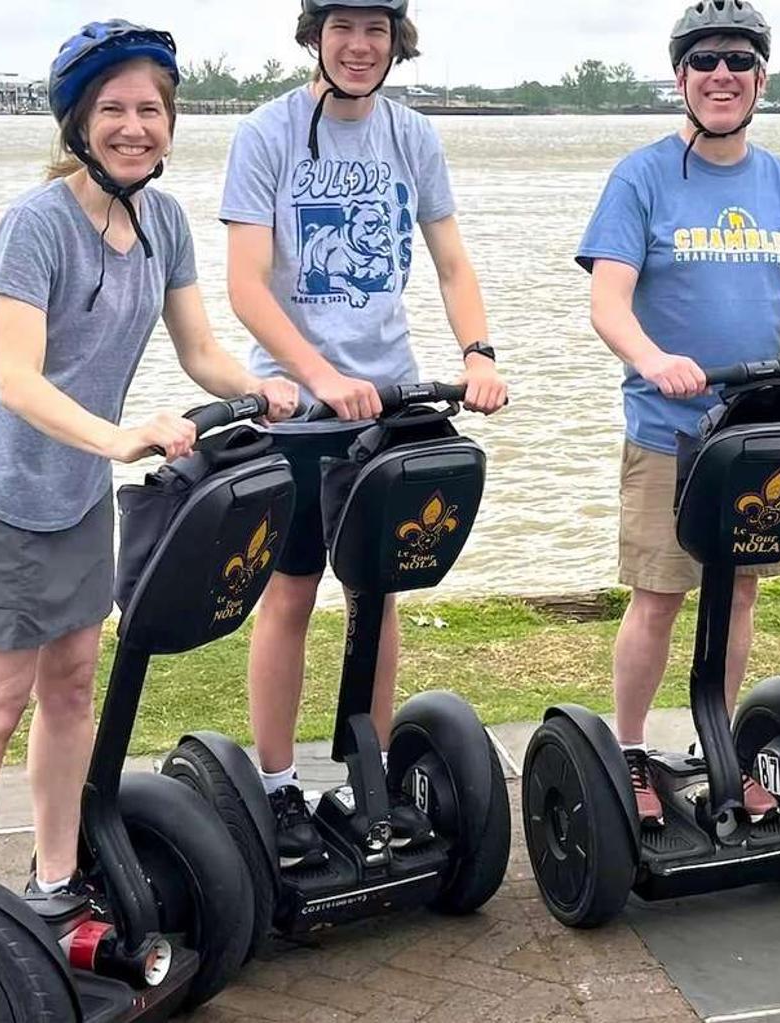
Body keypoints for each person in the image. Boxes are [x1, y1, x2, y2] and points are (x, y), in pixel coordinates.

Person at [0, 20, 299, 893]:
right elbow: (17, 380)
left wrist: (261, 387)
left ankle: (57, 880)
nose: (135, 127)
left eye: (151, 110)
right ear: (79, 124)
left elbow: (199, 348)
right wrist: (118, 436)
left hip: (77, 492)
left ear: (170, 123)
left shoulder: (164, 221)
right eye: (114, 110)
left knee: (72, 687)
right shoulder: (35, 225)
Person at [222, 0, 507, 869]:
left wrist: (478, 352)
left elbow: (451, 261)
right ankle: (278, 785)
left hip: (389, 404)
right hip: (299, 411)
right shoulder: (267, 134)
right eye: (342, 27)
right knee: (291, 592)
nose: (359, 45)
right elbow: (246, 285)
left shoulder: (411, 136)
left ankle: (367, 776)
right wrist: (318, 376)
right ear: (316, 36)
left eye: (375, 30)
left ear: (395, 42)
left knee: (377, 593)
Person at [575, 0, 780, 827]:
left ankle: (716, 742)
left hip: (758, 430)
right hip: (670, 430)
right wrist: (653, 358)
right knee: (659, 594)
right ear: (679, 78)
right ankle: (629, 750)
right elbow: (608, 303)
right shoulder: (641, 177)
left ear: (761, 79)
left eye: (738, 62)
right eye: (704, 61)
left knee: (739, 594)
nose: (721, 75)